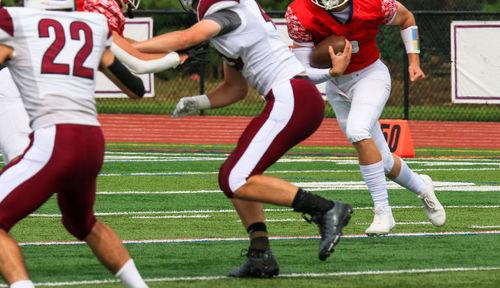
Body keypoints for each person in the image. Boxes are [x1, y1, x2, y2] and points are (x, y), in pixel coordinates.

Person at [133, 0, 354, 278]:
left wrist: (131, 49)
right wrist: (197, 101)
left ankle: (326, 210)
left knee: (236, 178)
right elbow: (234, 89)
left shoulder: (230, 13)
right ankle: (260, 255)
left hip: (291, 95)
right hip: (293, 96)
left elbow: (187, 37)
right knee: (234, 175)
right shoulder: (233, 21)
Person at [0, 1, 149, 287]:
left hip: (56, 140)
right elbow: (136, 89)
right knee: (82, 222)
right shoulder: (92, 25)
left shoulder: (13, 21)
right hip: (92, 141)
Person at [285, 0, 446, 236]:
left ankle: (383, 212)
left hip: (370, 75)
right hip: (336, 85)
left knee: (358, 131)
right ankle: (424, 189)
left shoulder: (374, 3)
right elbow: (301, 71)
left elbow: (406, 18)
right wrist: (332, 72)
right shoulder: (300, 12)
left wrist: (414, 62)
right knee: (384, 161)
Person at [0, 0, 189, 166]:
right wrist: (178, 57)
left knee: (45, 163)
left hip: (45, 93)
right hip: (23, 90)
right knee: (27, 162)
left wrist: (177, 54)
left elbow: (133, 50)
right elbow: (137, 76)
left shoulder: (21, 18)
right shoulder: (94, 25)